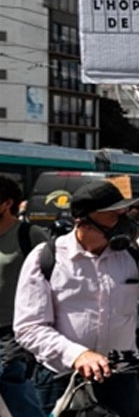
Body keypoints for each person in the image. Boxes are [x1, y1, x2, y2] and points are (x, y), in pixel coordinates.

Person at [13, 181, 139, 416]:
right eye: (114, 217)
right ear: (83, 221)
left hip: (120, 377)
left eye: (124, 215)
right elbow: (29, 328)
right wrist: (77, 354)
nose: (125, 225)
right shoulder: (46, 258)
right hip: (62, 378)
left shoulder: (136, 250)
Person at [0, 175, 48, 416]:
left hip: (13, 332)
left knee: (15, 388)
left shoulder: (30, 235)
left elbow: (54, 278)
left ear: (6, 204)